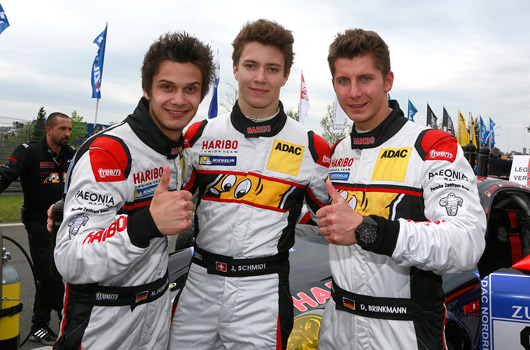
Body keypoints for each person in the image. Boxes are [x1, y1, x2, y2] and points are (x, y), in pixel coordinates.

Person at [315, 29, 487, 350]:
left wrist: (371, 231)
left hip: (404, 332)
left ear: (388, 80)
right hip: (337, 327)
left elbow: (467, 244)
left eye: (365, 79)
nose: (354, 93)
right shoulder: (336, 153)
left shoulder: (431, 145)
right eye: (343, 81)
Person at [168, 19, 331, 349]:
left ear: (286, 75)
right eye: (251, 65)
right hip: (199, 282)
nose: (260, 78)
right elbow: (154, 195)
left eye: (272, 69)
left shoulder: (312, 148)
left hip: (263, 292)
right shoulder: (199, 136)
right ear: (234, 68)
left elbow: (342, 216)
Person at [52, 32, 214, 350]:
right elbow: (71, 258)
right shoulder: (110, 151)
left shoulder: (181, 152)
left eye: (191, 89)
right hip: (103, 316)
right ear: (147, 89)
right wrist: (146, 224)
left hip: (156, 307)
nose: (179, 100)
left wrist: (62, 208)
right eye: (167, 87)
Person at [0, 112, 74, 345]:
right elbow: (5, 174)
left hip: (67, 225)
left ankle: (40, 325)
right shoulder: (29, 151)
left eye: (70, 129)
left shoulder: (72, 155)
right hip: (39, 224)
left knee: (58, 274)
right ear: (49, 130)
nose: (67, 134)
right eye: (63, 129)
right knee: (50, 276)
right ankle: (71, 319)